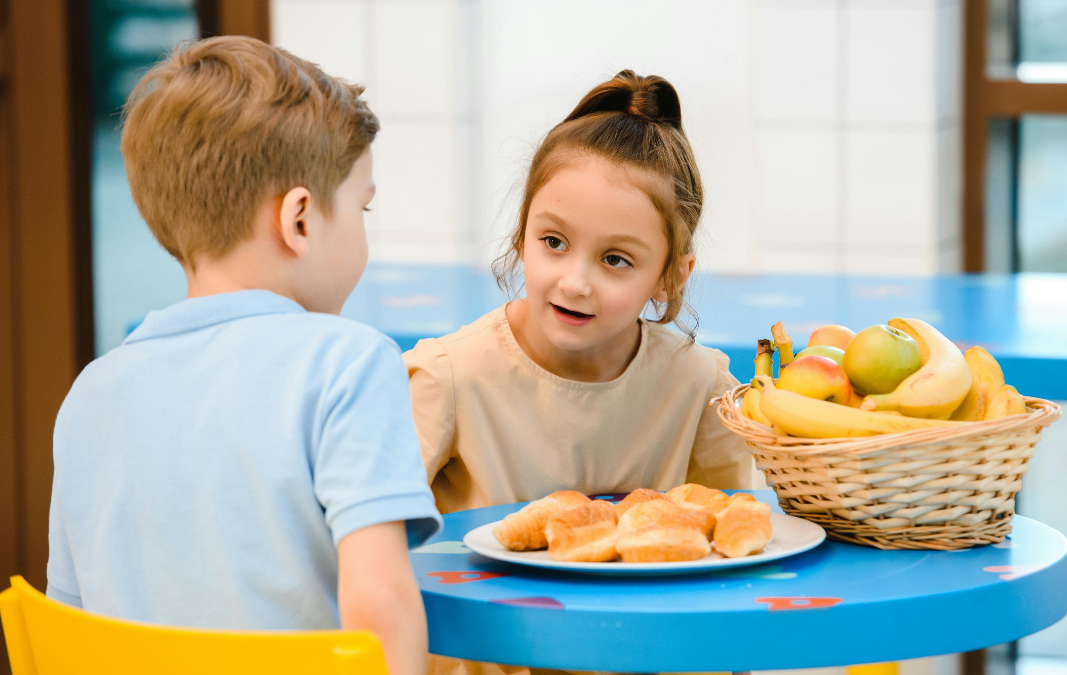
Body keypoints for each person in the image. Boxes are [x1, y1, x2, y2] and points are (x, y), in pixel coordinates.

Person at [47, 36, 439, 675]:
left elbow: (69, 629)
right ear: (301, 220)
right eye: (363, 208)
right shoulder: (348, 363)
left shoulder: (91, 393)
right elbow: (379, 605)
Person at [405, 69, 757, 675]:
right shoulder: (449, 376)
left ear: (672, 275)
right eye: (554, 242)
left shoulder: (701, 389)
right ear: (522, 233)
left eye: (616, 259)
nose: (574, 281)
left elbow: (726, 568)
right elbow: (366, 550)